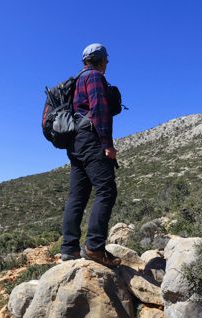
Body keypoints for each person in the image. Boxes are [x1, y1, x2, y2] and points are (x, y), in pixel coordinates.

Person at [60, 43, 121, 267]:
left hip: (74, 142)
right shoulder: (94, 77)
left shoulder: (76, 81)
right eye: (106, 59)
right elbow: (99, 111)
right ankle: (94, 247)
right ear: (100, 59)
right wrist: (107, 143)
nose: (107, 63)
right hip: (91, 139)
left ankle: (69, 249)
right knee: (106, 190)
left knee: (78, 195)